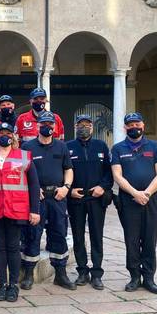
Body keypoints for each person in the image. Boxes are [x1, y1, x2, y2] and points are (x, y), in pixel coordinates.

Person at [0, 122, 40, 302]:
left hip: (16, 208)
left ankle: (13, 285)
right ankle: (2, 284)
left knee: (13, 247)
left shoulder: (24, 156)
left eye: (8, 133)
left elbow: (34, 185)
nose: (5, 136)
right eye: (1, 133)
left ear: (14, 136)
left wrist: (35, 210)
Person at [111, 112, 157, 295]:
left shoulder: (154, 146)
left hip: (152, 200)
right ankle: (134, 276)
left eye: (137, 124)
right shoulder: (118, 149)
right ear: (125, 127)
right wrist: (135, 193)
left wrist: (147, 193)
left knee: (150, 239)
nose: (134, 127)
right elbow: (117, 176)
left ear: (143, 125)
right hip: (129, 200)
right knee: (132, 240)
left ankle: (149, 278)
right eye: (130, 125)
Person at [21, 111, 75, 290]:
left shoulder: (62, 146)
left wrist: (66, 188)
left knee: (59, 233)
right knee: (32, 234)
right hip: (37, 198)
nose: (47, 127)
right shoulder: (27, 147)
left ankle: (60, 274)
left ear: (54, 126)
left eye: (50, 124)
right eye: (43, 124)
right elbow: (22, 172)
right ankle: (28, 274)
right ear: (37, 126)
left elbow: (68, 169)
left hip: (58, 197)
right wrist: (33, 191)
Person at [66, 114, 113, 290]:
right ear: (75, 127)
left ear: (92, 128)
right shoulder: (67, 147)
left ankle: (97, 273)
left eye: (86, 124)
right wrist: (69, 190)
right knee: (78, 236)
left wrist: (103, 186)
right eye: (80, 125)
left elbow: (109, 172)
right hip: (76, 199)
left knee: (96, 235)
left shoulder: (101, 146)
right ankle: (82, 271)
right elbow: (62, 171)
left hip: (96, 198)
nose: (83, 127)